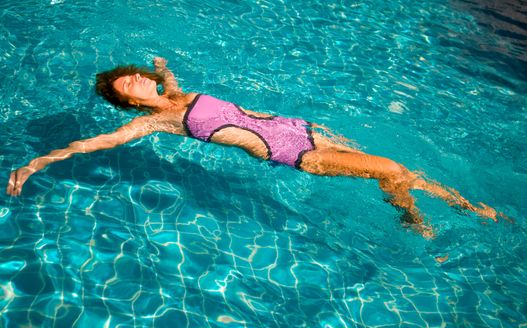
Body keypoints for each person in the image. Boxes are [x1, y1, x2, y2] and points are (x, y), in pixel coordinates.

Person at [6, 57, 499, 238]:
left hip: (303, 128)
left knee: (400, 167)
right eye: (126, 86)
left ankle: (463, 207)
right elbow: (90, 144)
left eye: (134, 74)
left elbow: (173, 83)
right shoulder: (154, 123)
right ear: (129, 103)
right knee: (390, 170)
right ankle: (419, 226)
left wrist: (162, 68)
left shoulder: (177, 92)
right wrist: (34, 165)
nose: (135, 79)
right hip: (291, 153)